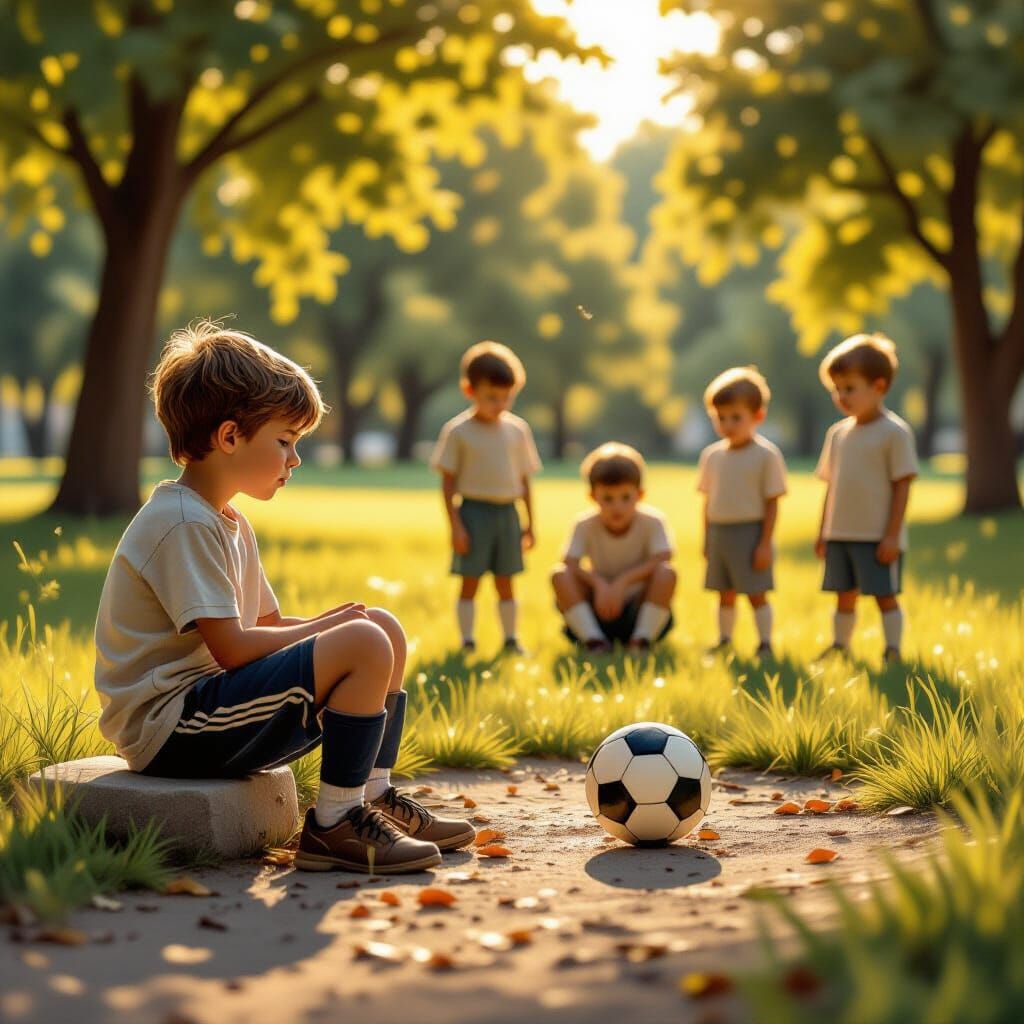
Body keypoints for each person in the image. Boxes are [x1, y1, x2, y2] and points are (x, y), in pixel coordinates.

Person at [94, 320, 473, 875]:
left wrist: (341, 629)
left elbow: (265, 624)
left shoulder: (228, 523)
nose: (294, 460)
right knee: (364, 640)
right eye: (285, 442)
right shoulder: (181, 522)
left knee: (382, 629)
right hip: (170, 727)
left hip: (211, 706)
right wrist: (335, 630)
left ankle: (369, 795)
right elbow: (234, 648)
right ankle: (334, 825)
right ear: (229, 437)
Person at [430, 340, 542, 655]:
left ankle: (510, 638)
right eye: (492, 397)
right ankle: (467, 640)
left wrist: (531, 524)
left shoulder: (518, 431)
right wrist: (456, 526)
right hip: (473, 514)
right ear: (470, 390)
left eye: (507, 397)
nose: (500, 404)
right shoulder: (459, 432)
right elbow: (448, 482)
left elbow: (525, 481)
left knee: (507, 580)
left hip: (508, 514)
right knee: (470, 580)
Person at [814, 332, 918, 664]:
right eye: (836, 389)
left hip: (876, 537)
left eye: (850, 388)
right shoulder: (838, 434)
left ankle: (892, 649)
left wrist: (892, 535)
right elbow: (831, 487)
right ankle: (840, 646)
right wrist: (823, 531)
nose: (841, 396)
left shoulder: (894, 433)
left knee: (884, 595)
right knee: (844, 595)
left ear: (879, 386)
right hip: (841, 533)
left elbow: (902, 485)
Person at [551, 442, 676, 654]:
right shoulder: (584, 524)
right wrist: (600, 585)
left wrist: (622, 582)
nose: (617, 507)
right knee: (559, 575)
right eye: (608, 498)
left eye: (625, 497)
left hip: (637, 609)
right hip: (597, 610)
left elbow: (663, 556)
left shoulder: (653, 521)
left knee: (667, 573)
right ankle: (593, 640)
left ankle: (641, 640)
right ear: (592, 496)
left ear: (640, 494)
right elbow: (569, 562)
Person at [697, 367, 787, 659]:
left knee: (756, 592)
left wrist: (764, 543)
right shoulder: (712, 456)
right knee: (724, 593)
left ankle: (764, 643)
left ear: (757, 416)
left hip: (751, 532)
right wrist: (707, 538)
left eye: (736, 417)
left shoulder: (765, 455)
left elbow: (772, 501)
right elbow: (707, 500)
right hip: (720, 532)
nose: (727, 424)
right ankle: (724, 639)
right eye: (720, 418)